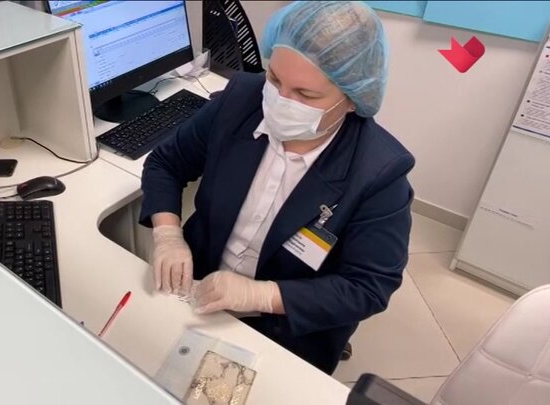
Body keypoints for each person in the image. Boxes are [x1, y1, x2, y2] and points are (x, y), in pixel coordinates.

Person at [139, 1, 414, 374]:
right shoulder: (240, 100)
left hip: (287, 328)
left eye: (306, 95)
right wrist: (168, 235)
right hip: (196, 289)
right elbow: (166, 163)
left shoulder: (379, 173)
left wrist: (264, 296)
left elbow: (368, 286)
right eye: (274, 79)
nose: (281, 101)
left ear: (353, 98)